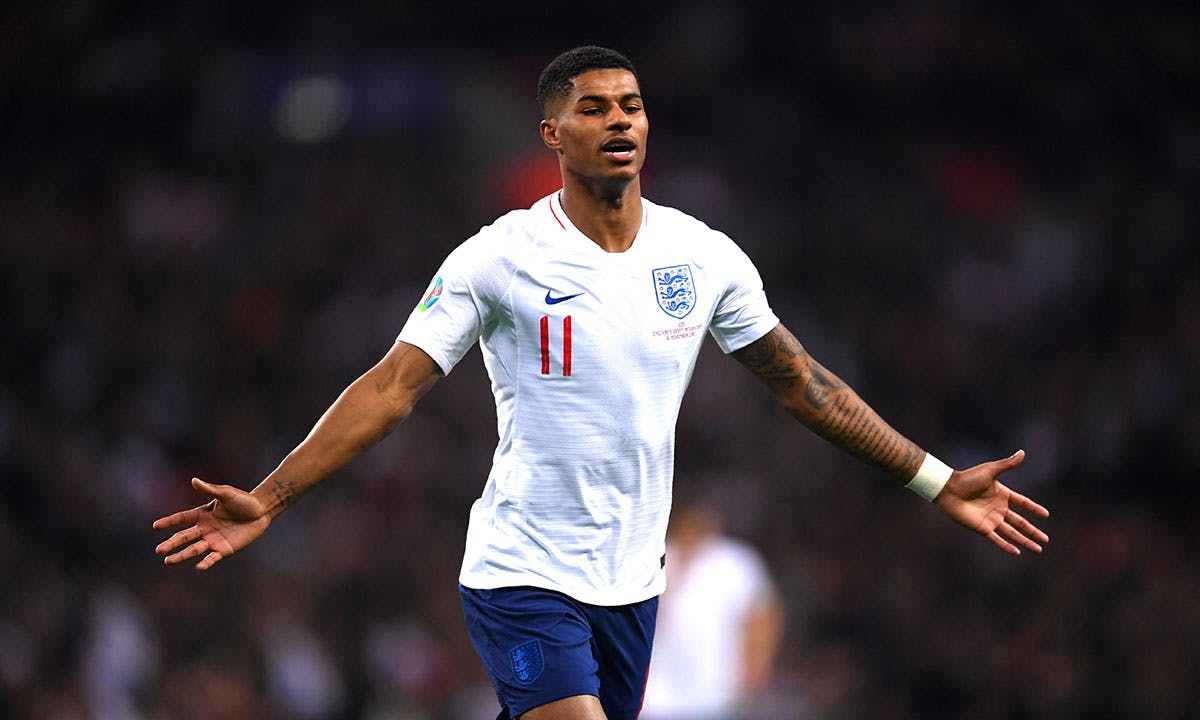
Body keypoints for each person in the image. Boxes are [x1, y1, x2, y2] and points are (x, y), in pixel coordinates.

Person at [153, 46, 1050, 720]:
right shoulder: (499, 256)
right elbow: (392, 388)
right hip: (521, 574)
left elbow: (802, 384)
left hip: (631, 585)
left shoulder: (702, 257)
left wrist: (934, 480)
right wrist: (271, 498)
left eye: (632, 106)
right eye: (594, 108)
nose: (620, 121)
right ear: (553, 133)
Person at [640, 493, 784, 720]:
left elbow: (762, 613)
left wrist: (755, 667)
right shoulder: (657, 555)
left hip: (716, 690)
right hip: (656, 694)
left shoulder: (734, 560)